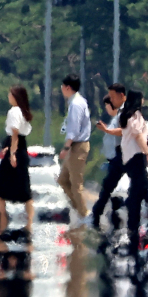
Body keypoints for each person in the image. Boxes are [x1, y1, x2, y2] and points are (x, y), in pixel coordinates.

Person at [0, 84, 34, 233]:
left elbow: (15, 134)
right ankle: (28, 221)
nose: (8, 97)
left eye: (10, 94)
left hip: (16, 149)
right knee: (24, 186)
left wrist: (12, 154)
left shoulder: (14, 112)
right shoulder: (23, 111)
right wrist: (8, 147)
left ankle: (3, 215)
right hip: (21, 147)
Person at [119, 90, 148, 244]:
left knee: (142, 188)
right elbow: (138, 136)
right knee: (138, 190)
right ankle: (135, 224)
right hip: (136, 157)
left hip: (129, 157)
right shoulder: (136, 116)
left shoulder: (127, 115)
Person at [91, 83, 128, 228]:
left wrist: (106, 130)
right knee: (110, 185)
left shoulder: (125, 113)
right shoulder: (120, 114)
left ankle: (97, 213)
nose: (111, 101)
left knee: (109, 186)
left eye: (113, 97)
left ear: (121, 96)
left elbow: (124, 131)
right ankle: (109, 211)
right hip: (117, 156)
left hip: (121, 155)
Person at [58, 74, 91, 226]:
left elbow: (73, 129)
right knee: (63, 180)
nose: (61, 89)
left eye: (62, 86)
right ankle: (79, 210)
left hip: (77, 146)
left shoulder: (76, 104)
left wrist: (66, 147)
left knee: (76, 184)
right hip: (74, 146)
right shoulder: (76, 102)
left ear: (68, 88)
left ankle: (85, 215)